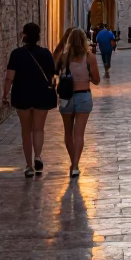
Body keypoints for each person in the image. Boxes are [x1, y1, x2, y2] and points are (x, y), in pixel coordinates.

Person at [2, 22, 57, 178]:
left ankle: (28, 166)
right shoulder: (46, 53)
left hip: (22, 95)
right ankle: (38, 156)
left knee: (26, 131)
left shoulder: (16, 54)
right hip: (41, 95)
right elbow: (52, 76)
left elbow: (9, 78)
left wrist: (5, 94)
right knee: (39, 129)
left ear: (24, 35)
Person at [55, 28, 100, 177]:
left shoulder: (64, 57)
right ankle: (75, 166)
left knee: (68, 133)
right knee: (79, 134)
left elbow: (55, 71)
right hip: (83, 96)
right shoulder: (90, 58)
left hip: (66, 98)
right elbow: (97, 80)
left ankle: (73, 162)